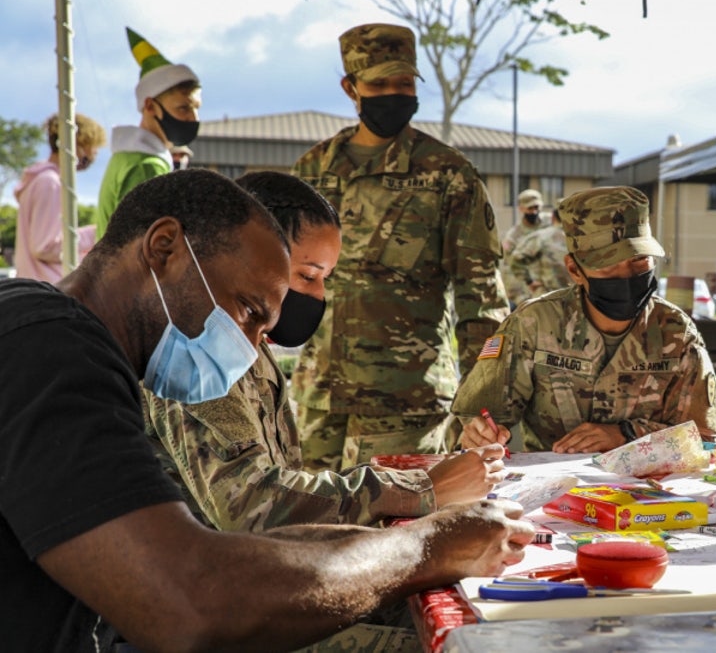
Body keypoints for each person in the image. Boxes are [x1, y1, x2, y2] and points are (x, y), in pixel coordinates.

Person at [0, 168, 531, 651]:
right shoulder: (49, 350)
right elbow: (190, 598)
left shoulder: (70, 346)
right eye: (249, 311)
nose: (254, 345)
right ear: (165, 247)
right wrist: (425, 546)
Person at [141, 171, 504, 535]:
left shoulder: (247, 343)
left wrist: (415, 480)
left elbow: (282, 481)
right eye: (308, 276)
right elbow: (250, 507)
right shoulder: (199, 345)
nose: (318, 296)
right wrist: (422, 490)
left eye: (325, 278)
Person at [292, 23, 508, 468]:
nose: (393, 93)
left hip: (405, 403)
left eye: (404, 83)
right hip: (319, 396)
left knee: (391, 530)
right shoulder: (311, 169)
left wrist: (483, 403)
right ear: (350, 88)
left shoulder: (448, 174)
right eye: (378, 83)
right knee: (308, 527)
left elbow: (480, 295)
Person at [453, 186, 716, 453]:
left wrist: (628, 435)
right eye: (608, 264)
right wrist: (478, 434)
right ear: (574, 269)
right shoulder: (533, 324)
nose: (627, 275)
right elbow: (478, 418)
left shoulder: (676, 333)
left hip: (648, 490)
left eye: (640, 260)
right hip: (553, 487)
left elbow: (707, 442)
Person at [96, 28, 202, 239]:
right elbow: (141, 245)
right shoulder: (146, 166)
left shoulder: (130, 157)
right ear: (150, 106)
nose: (193, 117)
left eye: (196, 108)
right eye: (183, 108)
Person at [13, 113, 106, 282]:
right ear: (77, 143)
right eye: (93, 146)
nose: (95, 153)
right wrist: (94, 233)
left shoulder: (41, 180)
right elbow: (45, 246)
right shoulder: (50, 183)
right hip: (47, 288)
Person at [508, 207, 570, 301]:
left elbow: (516, 258)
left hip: (548, 297)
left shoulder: (541, 236)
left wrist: (529, 281)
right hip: (577, 297)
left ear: (553, 217)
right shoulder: (582, 238)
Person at [501, 189, 548, 305]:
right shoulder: (513, 236)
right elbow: (509, 268)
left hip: (551, 286)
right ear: (521, 209)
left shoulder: (549, 224)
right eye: (530, 208)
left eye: (536, 207)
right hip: (528, 291)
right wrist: (518, 297)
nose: (534, 212)